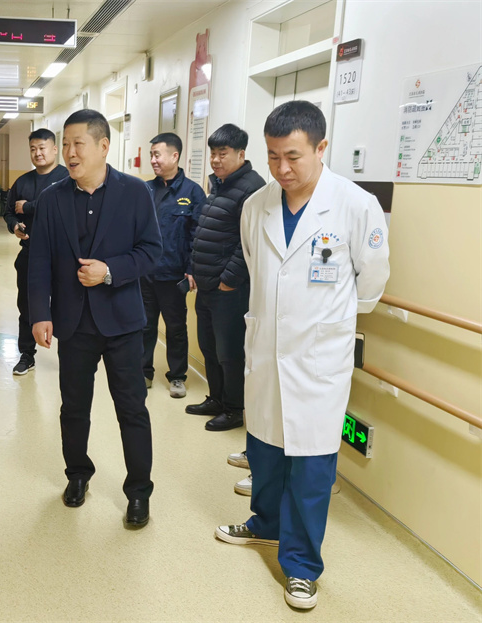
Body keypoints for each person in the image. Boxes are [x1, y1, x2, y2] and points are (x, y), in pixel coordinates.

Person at [215, 101, 390, 610]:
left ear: (321, 147)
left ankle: (301, 566)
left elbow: (371, 285)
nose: (282, 168)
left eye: (292, 156)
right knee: (265, 452)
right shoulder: (257, 206)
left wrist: (323, 321)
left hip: (319, 359)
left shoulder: (355, 206)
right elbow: (257, 267)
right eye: (273, 156)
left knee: (312, 468)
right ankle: (265, 524)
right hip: (266, 351)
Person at [28, 109, 162, 528]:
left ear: (103, 146)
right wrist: (39, 314)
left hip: (123, 323)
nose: (70, 153)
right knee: (73, 408)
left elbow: (152, 251)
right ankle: (77, 474)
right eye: (65, 144)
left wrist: (110, 271)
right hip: (73, 325)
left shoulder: (135, 193)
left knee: (132, 410)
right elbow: (39, 261)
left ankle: (138, 492)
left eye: (78, 144)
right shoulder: (52, 199)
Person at [186, 123, 266, 435]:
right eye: (213, 154)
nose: (215, 160)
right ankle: (216, 398)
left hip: (229, 289)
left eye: (223, 154)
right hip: (207, 285)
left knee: (229, 353)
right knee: (208, 346)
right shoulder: (219, 184)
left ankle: (234, 409)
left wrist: (229, 279)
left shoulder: (252, 188)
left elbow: (249, 242)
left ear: (241, 154)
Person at [142, 133, 205, 397]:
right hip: (145, 274)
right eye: (151, 155)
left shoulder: (193, 192)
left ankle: (177, 376)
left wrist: (192, 269)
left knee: (176, 328)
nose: (153, 160)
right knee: (144, 326)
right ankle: (143, 372)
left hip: (174, 275)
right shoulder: (145, 190)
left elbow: (197, 236)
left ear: (174, 155)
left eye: (157, 155)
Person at [3, 128, 69, 375]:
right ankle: (27, 354)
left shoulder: (67, 178)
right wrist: (14, 226)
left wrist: (29, 207)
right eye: (33, 149)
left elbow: (60, 207)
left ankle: (69, 354)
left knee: (66, 305)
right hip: (31, 253)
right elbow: (9, 211)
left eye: (42, 148)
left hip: (62, 256)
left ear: (54, 149)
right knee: (28, 306)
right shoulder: (23, 181)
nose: (38, 153)